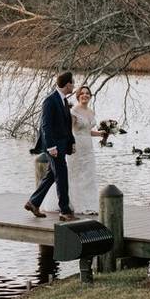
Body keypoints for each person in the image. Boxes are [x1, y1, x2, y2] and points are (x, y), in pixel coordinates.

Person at [38, 85, 105, 214]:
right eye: (82, 93)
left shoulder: (91, 111)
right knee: (76, 175)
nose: (85, 95)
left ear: (90, 96)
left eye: (87, 93)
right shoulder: (74, 111)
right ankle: (77, 204)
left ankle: (89, 203)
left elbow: (86, 131)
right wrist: (70, 144)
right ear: (78, 96)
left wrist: (100, 133)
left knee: (88, 176)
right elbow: (69, 131)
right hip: (76, 147)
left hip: (88, 148)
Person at [24, 72, 77, 221]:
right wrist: (51, 147)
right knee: (62, 176)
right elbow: (45, 126)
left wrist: (71, 142)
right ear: (67, 84)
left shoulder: (64, 100)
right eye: (73, 83)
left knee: (51, 175)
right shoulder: (50, 100)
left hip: (61, 144)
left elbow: (67, 126)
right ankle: (65, 211)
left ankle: (33, 202)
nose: (74, 86)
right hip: (53, 147)